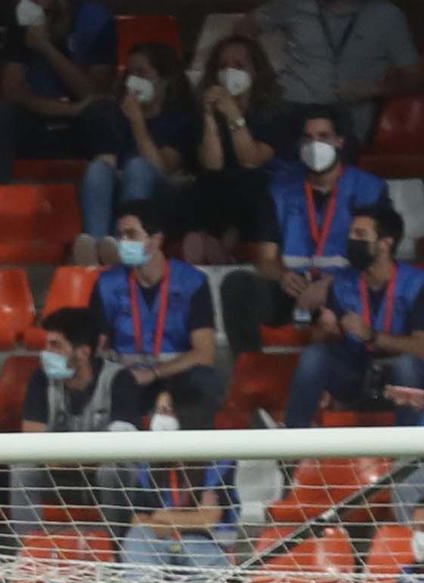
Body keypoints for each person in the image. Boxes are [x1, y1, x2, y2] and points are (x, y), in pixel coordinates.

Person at [220, 107, 389, 356]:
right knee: (237, 285)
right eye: (308, 138)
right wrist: (283, 275)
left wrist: (330, 286)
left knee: (356, 301)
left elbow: (378, 257)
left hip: (346, 287)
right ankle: (249, 369)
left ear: (339, 141)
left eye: (323, 136)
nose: (315, 144)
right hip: (294, 289)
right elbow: (265, 259)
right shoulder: (280, 189)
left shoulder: (369, 188)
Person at [0, 0, 118, 226]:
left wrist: (46, 48)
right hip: (37, 124)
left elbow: (93, 91)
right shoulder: (24, 17)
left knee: (102, 112)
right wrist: (71, 109)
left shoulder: (95, 19)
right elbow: (13, 91)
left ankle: (107, 223)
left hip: (81, 129)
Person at [90, 201, 225, 431]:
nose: (123, 243)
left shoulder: (192, 282)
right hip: (128, 376)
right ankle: (123, 450)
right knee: (110, 381)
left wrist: (153, 373)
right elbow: (95, 346)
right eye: (120, 236)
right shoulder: (107, 283)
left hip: (177, 373)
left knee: (204, 379)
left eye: (131, 235)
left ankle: (191, 458)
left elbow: (204, 353)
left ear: (156, 240)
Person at [286, 204, 424, 430]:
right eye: (350, 233)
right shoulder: (341, 283)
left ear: (385, 243)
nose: (351, 241)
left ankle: (409, 451)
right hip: (358, 375)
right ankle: (292, 442)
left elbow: (421, 347)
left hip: (405, 380)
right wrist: (325, 331)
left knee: (406, 365)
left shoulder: (417, 284)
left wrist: (372, 336)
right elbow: (325, 340)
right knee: (315, 355)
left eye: (360, 235)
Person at [74, 42, 200, 267]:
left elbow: (163, 167)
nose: (133, 80)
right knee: (97, 170)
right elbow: (108, 160)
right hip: (123, 194)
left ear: (165, 79)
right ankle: (96, 248)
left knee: (138, 167)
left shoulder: (180, 120)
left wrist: (138, 123)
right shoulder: (115, 115)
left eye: (141, 73)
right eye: (130, 73)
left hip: (164, 200)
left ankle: (131, 242)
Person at [12, 306, 129, 536]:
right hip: (58, 473)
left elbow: (122, 446)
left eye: (55, 346)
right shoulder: (41, 379)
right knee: (22, 468)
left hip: (100, 474)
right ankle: (25, 554)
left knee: (114, 469)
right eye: (47, 344)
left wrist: (62, 456)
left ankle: (119, 550)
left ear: (83, 353)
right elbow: (31, 442)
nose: (46, 353)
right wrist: (82, 458)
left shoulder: (119, 380)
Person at [240, 0, 422, 143]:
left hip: (345, 115)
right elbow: (244, 29)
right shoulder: (293, 5)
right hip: (290, 104)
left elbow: (415, 79)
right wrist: (262, 74)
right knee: (248, 141)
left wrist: (372, 89)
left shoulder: (386, 15)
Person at [184, 35, 296, 264]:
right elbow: (212, 164)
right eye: (223, 66)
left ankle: (224, 245)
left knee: (247, 180)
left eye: (239, 66)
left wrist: (234, 114)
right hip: (220, 195)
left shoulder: (273, 112)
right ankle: (210, 243)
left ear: (255, 70)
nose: (230, 72)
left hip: (263, 192)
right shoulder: (206, 111)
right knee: (203, 183)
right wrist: (209, 116)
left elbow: (251, 159)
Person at [100, 444, 236, 581]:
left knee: (205, 560)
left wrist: (161, 517)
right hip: (156, 543)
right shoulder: (147, 470)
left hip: (200, 543)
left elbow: (209, 520)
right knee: (138, 536)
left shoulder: (215, 466)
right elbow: (138, 521)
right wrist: (189, 521)